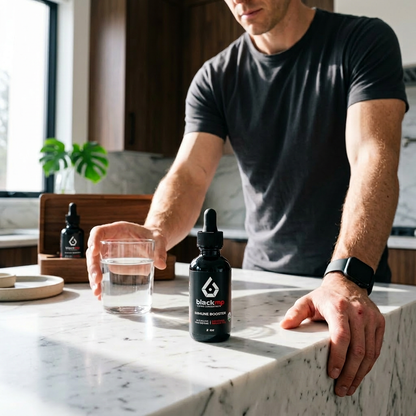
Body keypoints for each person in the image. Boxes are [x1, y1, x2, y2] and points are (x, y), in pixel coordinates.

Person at [86, 0, 408, 398]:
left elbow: (372, 155)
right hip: (260, 284)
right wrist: (154, 233)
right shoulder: (215, 77)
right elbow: (190, 172)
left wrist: (344, 278)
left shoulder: (362, 40)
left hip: (350, 286)